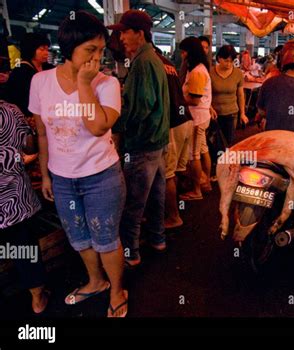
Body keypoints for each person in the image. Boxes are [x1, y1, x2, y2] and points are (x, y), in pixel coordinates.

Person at [30, 11, 127, 317]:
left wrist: (85, 83)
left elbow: (98, 126)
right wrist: (45, 174)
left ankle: (116, 289)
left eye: (100, 51)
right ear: (68, 48)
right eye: (90, 50)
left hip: (101, 176)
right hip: (62, 179)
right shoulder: (40, 81)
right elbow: (42, 133)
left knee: (106, 239)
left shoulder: (106, 84)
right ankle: (95, 281)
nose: (97, 58)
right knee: (79, 236)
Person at [108, 10, 170, 266]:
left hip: (143, 144)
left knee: (134, 202)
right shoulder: (152, 58)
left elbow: (139, 106)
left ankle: (130, 252)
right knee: (155, 197)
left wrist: (114, 123)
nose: (121, 37)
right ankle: (157, 238)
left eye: (124, 31)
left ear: (139, 34)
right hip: (158, 142)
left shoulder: (143, 62)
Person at [0, 101, 49, 314]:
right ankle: (38, 299)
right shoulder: (9, 110)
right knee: (24, 249)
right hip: (14, 199)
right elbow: (30, 146)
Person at [152, 46, 193, 229]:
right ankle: (176, 208)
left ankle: (173, 216)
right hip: (185, 118)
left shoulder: (149, 63)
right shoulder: (167, 63)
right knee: (175, 170)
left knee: (167, 173)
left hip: (172, 122)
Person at [179, 37, 212, 201]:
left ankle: (197, 190)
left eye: (184, 51)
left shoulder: (197, 71)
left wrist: (178, 99)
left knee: (194, 155)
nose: (182, 55)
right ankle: (206, 182)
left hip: (197, 117)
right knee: (203, 149)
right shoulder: (200, 69)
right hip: (202, 116)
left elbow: (195, 99)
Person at [6, 33, 54, 117]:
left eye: (47, 49)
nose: (46, 53)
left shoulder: (48, 67)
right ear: (31, 49)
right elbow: (16, 99)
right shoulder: (21, 71)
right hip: (27, 117)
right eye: (42, 49)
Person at [210, 45, 248, 148]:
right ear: (219, 58)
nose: (229, 64)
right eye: (226, 60)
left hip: (231, 114)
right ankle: (215, 163)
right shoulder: (210, 72)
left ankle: (224, 163)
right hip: (214, 114)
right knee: (214, 143)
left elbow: (240, 95)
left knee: (228, 143)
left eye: (231, 61)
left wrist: (242, 114)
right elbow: (206, 94)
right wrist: (210, 107)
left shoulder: (238, 73)